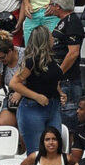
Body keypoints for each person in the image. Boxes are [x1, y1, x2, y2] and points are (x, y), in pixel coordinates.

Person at [11, 25, 65, 156]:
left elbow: (52, 80)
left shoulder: (52, 58)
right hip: (33, 108)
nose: (53, 38)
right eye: (51, 36)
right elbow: (14, 83)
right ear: (45, 40)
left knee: (54, 151)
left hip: (53, 106)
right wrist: (36, 96)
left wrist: (60, 93)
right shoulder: (31, 60)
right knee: (36, 153)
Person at [43, 0, 83, 132]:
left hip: (68, 81)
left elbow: (73, 53)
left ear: (58, 6)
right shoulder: (63, 21)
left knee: (69, 117)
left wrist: (58, 74)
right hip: (61, 80)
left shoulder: (73, 22)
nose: (49, 6)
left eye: (51, 4)